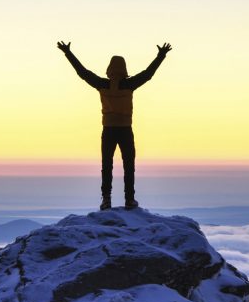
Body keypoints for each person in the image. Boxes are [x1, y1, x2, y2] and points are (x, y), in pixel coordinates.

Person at [57, 41, 172, 210]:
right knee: (129, 165)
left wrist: (68, 52)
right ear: (124, 69)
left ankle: (106, 200)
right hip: (125, 129)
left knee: (106, 165)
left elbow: (82, 72)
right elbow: (148, 74)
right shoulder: (129, 84)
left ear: (109, 69)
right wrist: (161, 55)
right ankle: (129, 200)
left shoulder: (102, 84)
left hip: (108, 129)